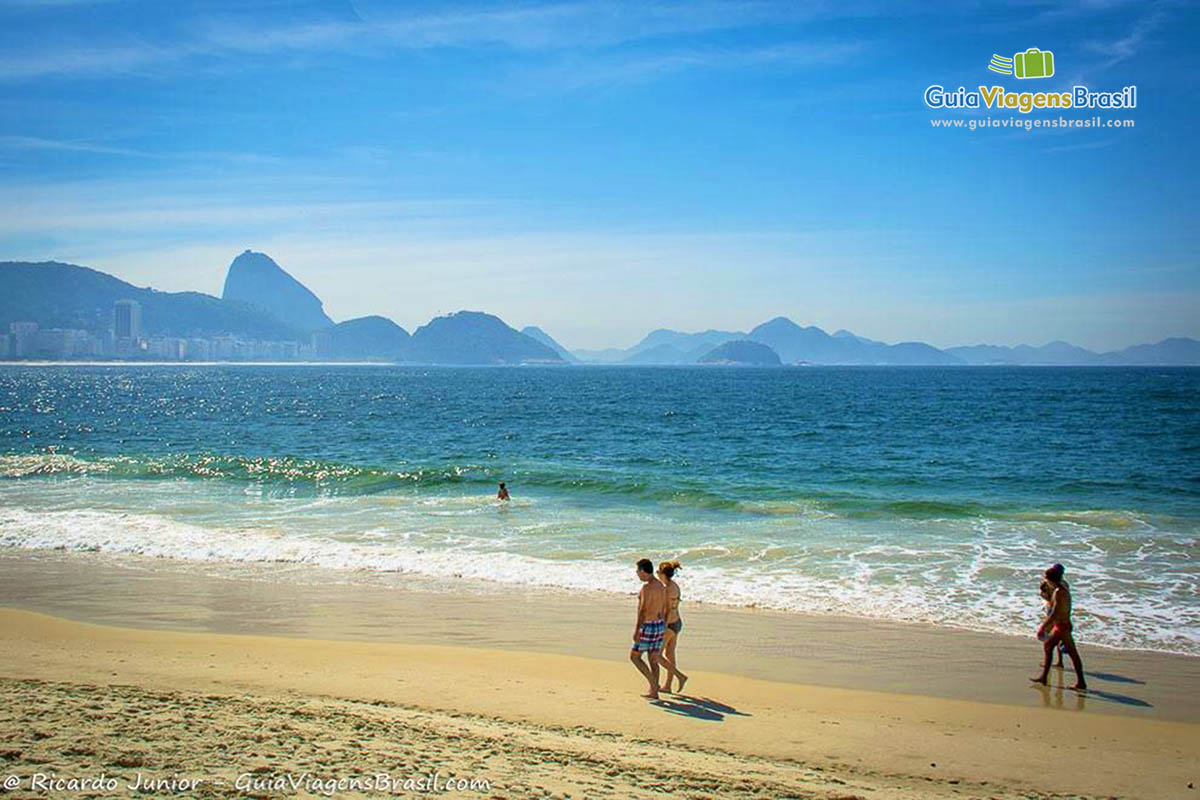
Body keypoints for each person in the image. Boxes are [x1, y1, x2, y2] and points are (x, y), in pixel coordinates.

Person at [1031, 563, 1087, 691]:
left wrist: (1043, 626)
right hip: (1062, 625)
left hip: (1061, 626)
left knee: (1072, 653)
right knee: (1050, 647)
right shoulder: (1062, 588)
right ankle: (1044, 677)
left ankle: (1080, 683)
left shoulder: (1059, 592)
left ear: (1051, 580)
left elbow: (1055, 611)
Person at [629, 558, 668, 699]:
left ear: (643, 571)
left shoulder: (646, 588)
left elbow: (643, 611)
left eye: (638, 571)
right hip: (658, 624)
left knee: (634, 657)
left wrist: (637, 630)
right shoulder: (661, 586)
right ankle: (654, 692)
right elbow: (664, 608)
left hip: (648, 625)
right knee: (653, 659)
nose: (637, 574)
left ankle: (653, 685)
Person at [656, 560, 688, 694]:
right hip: (677, 622)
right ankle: (667, 686)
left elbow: (667, 610)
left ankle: (680, 676)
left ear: (662, 574)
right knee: (669, 654)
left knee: (656, 655)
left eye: (658, 571)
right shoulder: (674, 586)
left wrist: (663, 627)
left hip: (669, 624)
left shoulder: (667, 589)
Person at [1037, 580, 1066, 668]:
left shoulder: (1053, 600)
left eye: (1043, 592)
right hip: (1057, 623)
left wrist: (1044, 626)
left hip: (1054, 624)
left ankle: (1048, 664)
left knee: (1048, 644)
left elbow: (1052, 615)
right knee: (1056, 643)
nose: (1042, 594)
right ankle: (1060, 662)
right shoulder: (1055, 597)